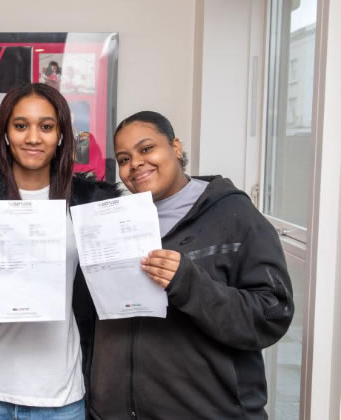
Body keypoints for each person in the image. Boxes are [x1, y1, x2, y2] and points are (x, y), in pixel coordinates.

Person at [89, 111, 294, 419]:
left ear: (176, 147)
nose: (136, 164)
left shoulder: (234, 215)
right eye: (124, 158)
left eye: (146, 149)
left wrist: (187, 281)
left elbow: (271, 314)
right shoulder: (110, 223)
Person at [0, 82, 120, 419]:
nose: (33, 137)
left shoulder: (88, 203)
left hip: (63, 395)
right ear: (6, 133)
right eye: (21, 126)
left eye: (46, 127)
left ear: (62, 135)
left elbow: (108, 295)